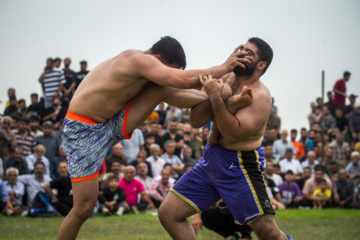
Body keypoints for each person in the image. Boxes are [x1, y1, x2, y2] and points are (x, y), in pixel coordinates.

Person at [58, 36, 247, 240]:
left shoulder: (148, 65)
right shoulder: (139, 60)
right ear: (157, 57)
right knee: (84, 207)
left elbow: (176, 86)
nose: (170, 74)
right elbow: (183, 80)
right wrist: (225, 67)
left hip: (108, 122)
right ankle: (218, 97)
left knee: (160, 89)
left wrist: (215, 92)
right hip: (83, 130)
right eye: (170, 69)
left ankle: (219, 98)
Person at [158, 38, 291, 240]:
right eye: (242, 49)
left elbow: (231, 134)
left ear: (261, 65)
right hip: (210, 160)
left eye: (249, 53)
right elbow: (196, 120)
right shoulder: (226, 77)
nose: (241, 53)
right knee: (168, 214)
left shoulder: (260, 95)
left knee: (268, 232)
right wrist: (220, 97)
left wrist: (217, 97)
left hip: (240, 165)